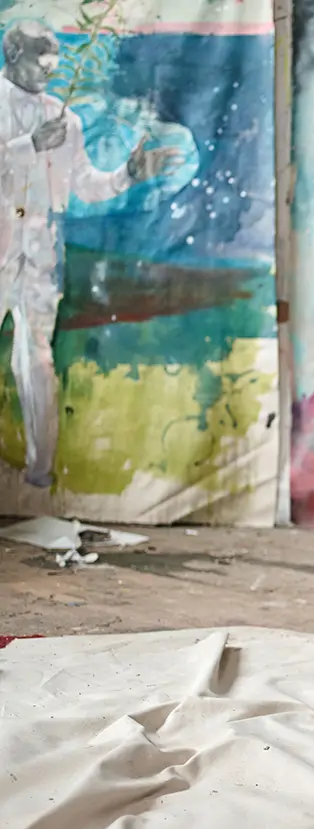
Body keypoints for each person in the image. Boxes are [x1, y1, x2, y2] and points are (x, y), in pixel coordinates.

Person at [0, 19, 178, 488]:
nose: (52, 66)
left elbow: (85, 185)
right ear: (13, 53)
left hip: (41, 260)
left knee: (37, 362)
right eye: (42, 55)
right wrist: (29, 146)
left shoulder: (67, 121)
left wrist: (128, 175)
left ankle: (40, 472)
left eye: (55, 56)